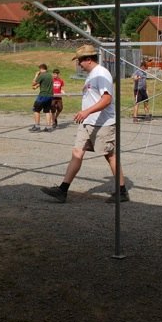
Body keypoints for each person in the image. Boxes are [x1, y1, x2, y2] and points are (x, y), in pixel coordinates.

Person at [40, 44, 129, 203]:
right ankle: (62, 190)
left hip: (102, 123)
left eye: (80, 61)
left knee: (110, 155)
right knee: (77, 152)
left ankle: (122, 191)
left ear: (88, 59)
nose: (78, 64)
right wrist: (85, 114)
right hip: (87, 123)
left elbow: (107, 99)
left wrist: (87, 111)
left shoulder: (101, 74)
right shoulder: (91, 75)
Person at [30, 63, 54, 132]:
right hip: (50, 95)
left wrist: (36, 75)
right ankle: (48, 127)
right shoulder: (50, 75)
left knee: (36, 110)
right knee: (47, 111)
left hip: (43, 95)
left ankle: (37, 126)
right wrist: (37, 87)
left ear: (41, 69)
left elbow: (33, 83)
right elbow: (44, 83)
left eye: (39, 69)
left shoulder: (42, 75)